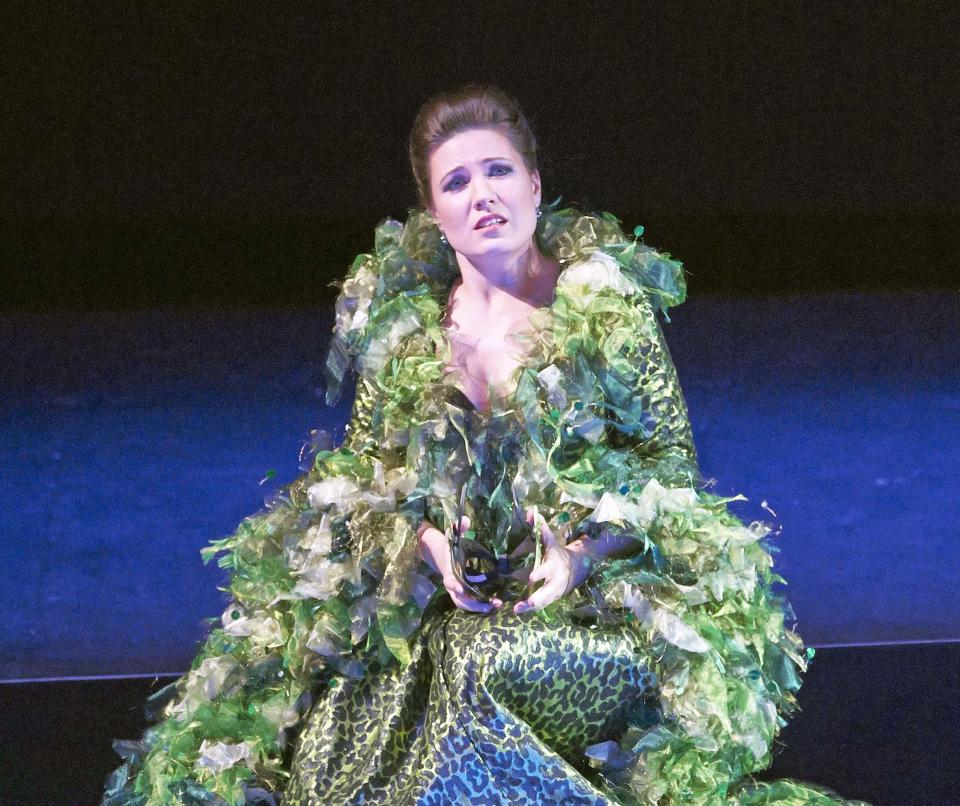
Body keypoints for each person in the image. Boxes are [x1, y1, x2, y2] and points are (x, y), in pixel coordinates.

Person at [103, 85, 864, 805]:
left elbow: (671, 479)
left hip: (603, 606)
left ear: (535, 185)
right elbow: (368, 481)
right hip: (447, 595)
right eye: (458, 181)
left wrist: (575, 560)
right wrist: (430, 547)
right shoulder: (408, 331)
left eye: (499, 170)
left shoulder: (605, 308)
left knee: (480, 665)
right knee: (345, 709)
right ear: (435, 213)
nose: (483, 195)